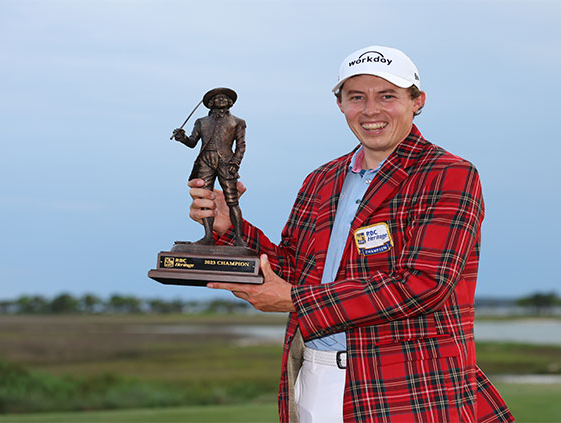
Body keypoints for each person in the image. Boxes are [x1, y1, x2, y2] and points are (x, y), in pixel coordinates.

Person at [188, 46, 514, 423]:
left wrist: (295, 300)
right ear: (340, 103)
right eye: (356, 97)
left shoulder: (449, 174)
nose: (370, 110)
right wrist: (232, 228)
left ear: (417, 101)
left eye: (387, 96)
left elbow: (423, 285)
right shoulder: (321, 180)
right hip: (312, 377)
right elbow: (295, 268)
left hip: (406, 389)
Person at [173, 87, 247, 246]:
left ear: (230, 103)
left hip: (226, 162)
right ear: (211, 103)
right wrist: (182, 137)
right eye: (217, 98)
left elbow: (241, 146)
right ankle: (208, 236)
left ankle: (240, 239)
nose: (221, 100)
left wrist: (235, 162)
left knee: (232, 200)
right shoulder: (201, 122)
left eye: (225, 98)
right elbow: (192, 142)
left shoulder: (238, 122)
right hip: (205, 160)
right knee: (205, 198)